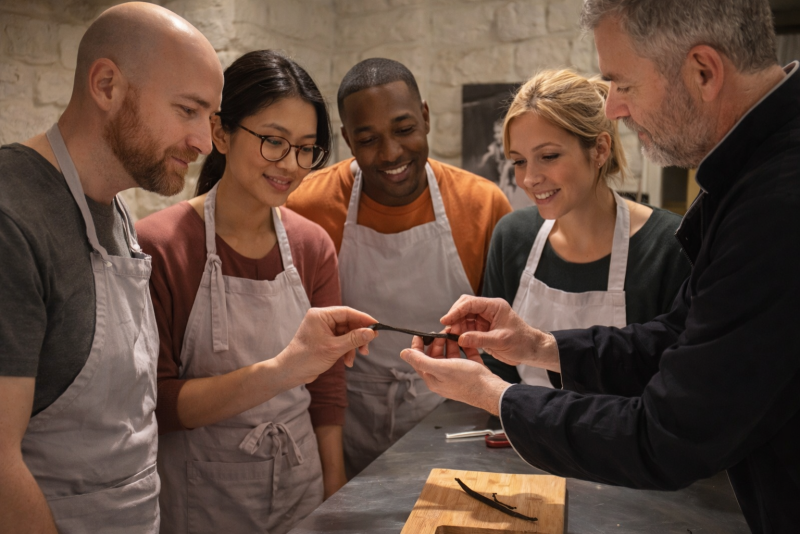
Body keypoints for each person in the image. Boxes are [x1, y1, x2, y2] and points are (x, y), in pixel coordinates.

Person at [400, 0, 800, 532]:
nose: (612, 106)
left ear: (703, 70)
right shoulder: (748, 177)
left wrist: (493, 395)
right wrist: (540, 346)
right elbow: (679, 337)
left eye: (623, 85)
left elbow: (669, 433)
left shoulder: (777, 202)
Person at [0, 4, 222, 532]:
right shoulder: (12, 217)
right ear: (106, 85)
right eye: (187, 110)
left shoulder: (115, 208)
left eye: (209, 119)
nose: (205, 143)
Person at [136, 51, 368, 534]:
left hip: (300, 487)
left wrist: (335, 492)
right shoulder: (159, 245)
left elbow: (325, 389)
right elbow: (156, 402)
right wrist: (281, 371)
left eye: (306, 148)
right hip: (203, 496)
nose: (292, 164)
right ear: (221, 133)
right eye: (273, 142)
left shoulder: (311, 246)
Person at [285, 58, 513, 477]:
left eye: (405, 130)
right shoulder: (305, 207)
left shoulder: (483, 204)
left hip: (452, 417)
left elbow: (502, 349)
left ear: (425, 117)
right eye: (368, 138)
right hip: (344, 422)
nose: (391, 153)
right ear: (346, 139)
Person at [483, 69, 689, 388]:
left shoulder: (669, 245)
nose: (529, 179)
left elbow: (678, 379)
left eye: (548, 156)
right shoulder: (511, 237)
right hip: (525, 435)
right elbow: (498, 371)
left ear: (600, 150)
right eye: (519, 161)